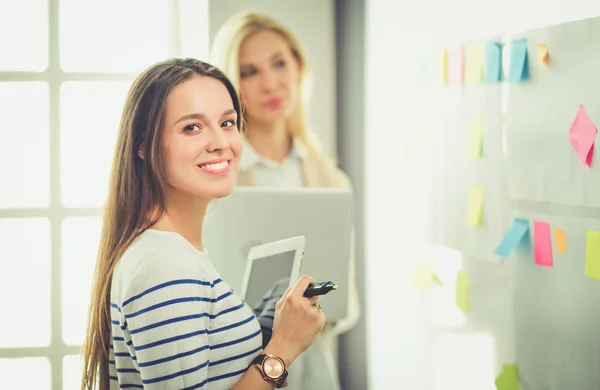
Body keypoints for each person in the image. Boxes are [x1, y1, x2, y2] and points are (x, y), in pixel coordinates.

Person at [79, 58, 327, 390]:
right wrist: (282, 350)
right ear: (142, 145)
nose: (220, 142)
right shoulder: (165, 265)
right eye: (192, 127)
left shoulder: (169, 253)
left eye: (227, 123)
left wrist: (269, 326)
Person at [210, 11, 360, 390]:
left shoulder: (330, 179)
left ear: (298, 68)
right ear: (232, 84)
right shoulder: (216, 173)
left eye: (279, 63)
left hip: (313, 365)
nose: (271, 83)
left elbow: (346, 296)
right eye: (249, 71)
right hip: (238, 365)